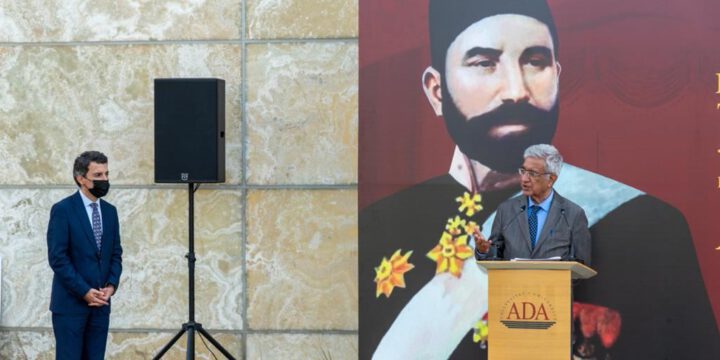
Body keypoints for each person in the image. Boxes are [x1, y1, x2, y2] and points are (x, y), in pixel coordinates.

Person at [358, 0, 719, 359]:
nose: (517, 90)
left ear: (558, 75)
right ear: (437, 91)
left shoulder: (650, 225)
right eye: (484, 63)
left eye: (535, 62)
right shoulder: (379, 225)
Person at [47, 151, 123, 360]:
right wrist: (84, 291)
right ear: (81, 179)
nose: (105, 180)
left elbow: (115, 254)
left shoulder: (110, 212)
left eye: (107, 174)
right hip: (71, 306)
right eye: (98, 175)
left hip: (101, 306)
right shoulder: (63, 210)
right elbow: (58, 258)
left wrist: (111, 286)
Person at [474, 144, 591, 264]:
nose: (524, 179)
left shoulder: (573, 214)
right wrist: (484, 251)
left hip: (553, 283)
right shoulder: (506, 210)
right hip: (513, 282)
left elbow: (582, 264)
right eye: (523, 171)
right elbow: (495, 256)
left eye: (533, 173)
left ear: (551, 179)